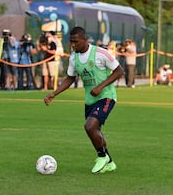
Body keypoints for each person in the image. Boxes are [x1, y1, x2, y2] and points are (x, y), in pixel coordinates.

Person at [44, 26, 123, 174]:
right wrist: (54, 94)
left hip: (106, 96)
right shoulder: (74, 57)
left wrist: (100, 87)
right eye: (71, 41)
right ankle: (109, 162)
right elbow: (70, 78)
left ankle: (102, 157)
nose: (73, 45)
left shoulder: (100, 53)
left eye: (76, 41)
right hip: (90, 100)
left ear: (85, 40)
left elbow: (119, 71)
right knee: (95, 131)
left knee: (89, 126)